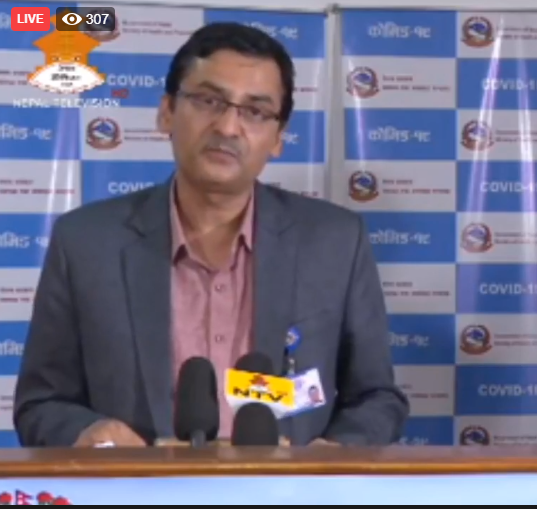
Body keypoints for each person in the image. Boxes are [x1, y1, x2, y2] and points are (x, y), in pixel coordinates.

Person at [14, 22, 408, 448]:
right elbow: (41, 404)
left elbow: (377, 398)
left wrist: (332, 456)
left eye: (255, 111)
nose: (228, 127)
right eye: (209, 101)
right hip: (143, 483)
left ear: (278, 137)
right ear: (167, 112)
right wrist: (92, 434)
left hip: (287, 483)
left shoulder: (335, 242)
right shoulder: (86, 243)